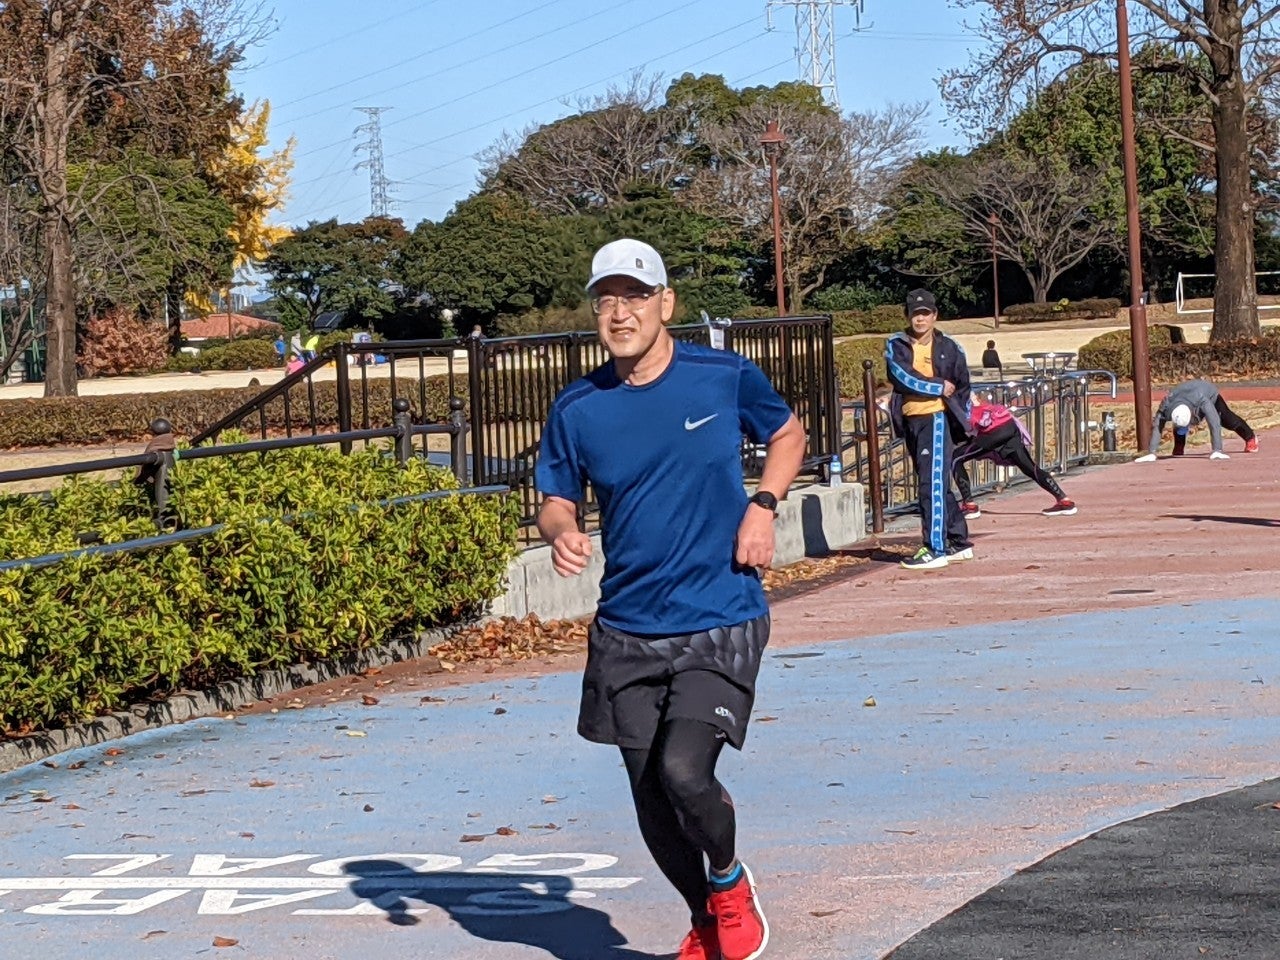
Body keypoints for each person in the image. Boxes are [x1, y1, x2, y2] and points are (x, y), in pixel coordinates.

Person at [535, 238, 805, 960]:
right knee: (651, 798)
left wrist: (764, 505)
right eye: (607, 300)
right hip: (627, 627)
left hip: (719, 614)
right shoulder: (579, 407)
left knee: (684, 771)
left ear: (666, 304)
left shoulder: (721, 377)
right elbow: (556, 498)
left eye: (635, 297)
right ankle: (704, 919)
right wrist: (562, 532)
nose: (620, 313)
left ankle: (729, 880)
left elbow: (787, 433)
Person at [885, 288, 974, 569]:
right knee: (936, 482)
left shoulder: (950, 347)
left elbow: (962, 384)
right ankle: (958, 541)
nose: (920, 319)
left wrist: (959, 417)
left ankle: (935, 548)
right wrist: (937, 386)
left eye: (925, 313)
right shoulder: (896, 344)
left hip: (935, 419)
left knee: (930, 484)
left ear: (935, 315)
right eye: (915, 314)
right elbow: (901, 376)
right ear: (907, 316)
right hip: (911, 419)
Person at [953, 400, 1076, 518]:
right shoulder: (967, 394)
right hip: (1007, 424)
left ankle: (969, 505)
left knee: (956, 458)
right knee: (1030, 468)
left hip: (993, 431)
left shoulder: (952, 398)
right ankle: (1064, 501)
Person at [1135, 378, 1258, 462]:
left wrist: (1217, 450)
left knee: (1226, 420)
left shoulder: (1201, 400)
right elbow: (1157, 426)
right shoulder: (1166, 405)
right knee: (1180, 427)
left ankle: (1250, 437)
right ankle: (1179, 447)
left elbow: (1214, 422)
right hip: (1184, 397)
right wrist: (1152, 452)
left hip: (1207, 392)